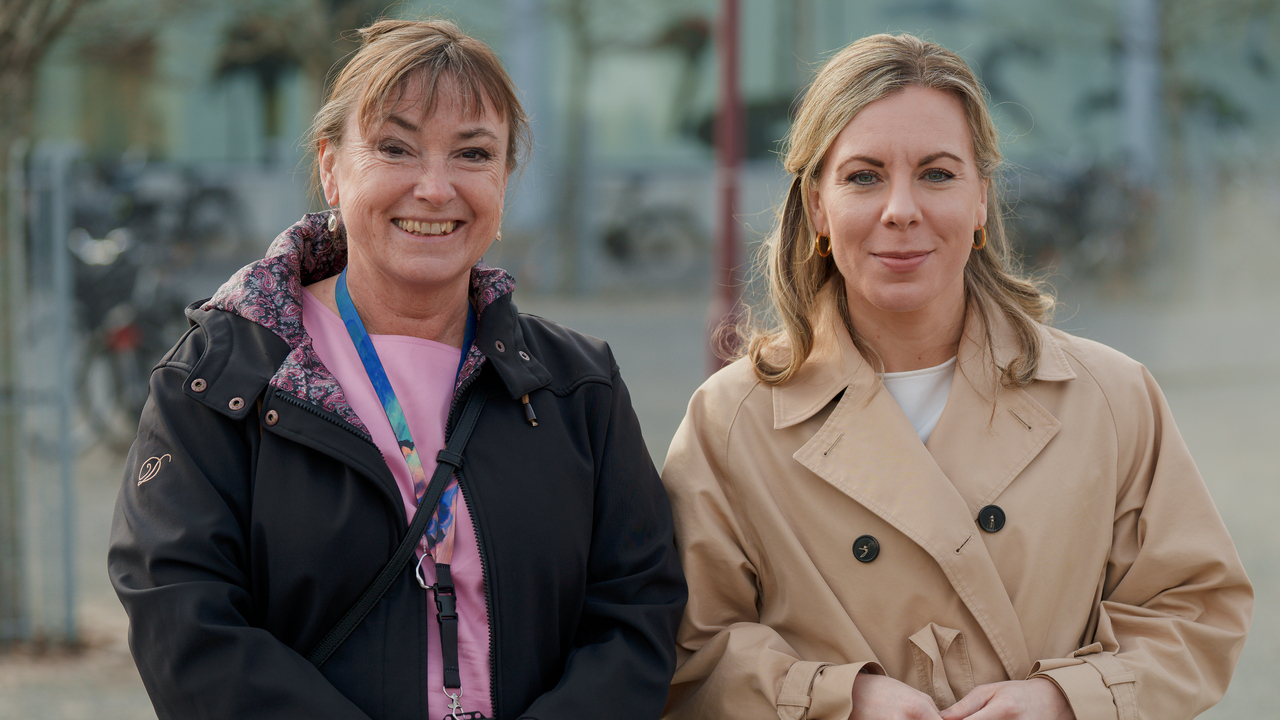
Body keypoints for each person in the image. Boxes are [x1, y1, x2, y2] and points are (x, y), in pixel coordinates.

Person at [660, 33, 1251, 720]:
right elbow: (687, 648)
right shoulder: (732, 421)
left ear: (980, 202)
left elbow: (1197, 611)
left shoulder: (1110, 398)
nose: (901, 209)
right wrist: (841, 701)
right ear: (818, 206)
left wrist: (1063, 701)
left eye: (938, 174)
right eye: (864, 176)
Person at [109, 19, 685, 720]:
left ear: (504, 181)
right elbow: (186, 623)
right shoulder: (220, 377)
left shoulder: (577, 386)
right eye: (395, 147)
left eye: (472, 154)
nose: (435, 188)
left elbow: (638, 609)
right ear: (331, 167)